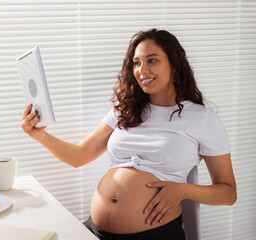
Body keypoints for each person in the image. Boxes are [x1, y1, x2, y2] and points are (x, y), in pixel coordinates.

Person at [21, 28, 237, 240]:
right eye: (137, 63)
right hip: (94, 230)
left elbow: (228, 193)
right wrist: (40, 136)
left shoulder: (202, 118)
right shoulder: (124, 109)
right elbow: (79, 156)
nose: (142, 70)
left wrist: (182, 190)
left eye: (152, 60)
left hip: (155, 235)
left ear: (174, 64)